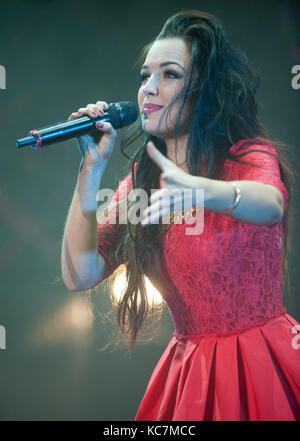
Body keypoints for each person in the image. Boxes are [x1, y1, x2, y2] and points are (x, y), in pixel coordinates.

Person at [61, 10, 300, 421]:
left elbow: (270, 203)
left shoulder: (246, 155)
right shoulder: (141, 181)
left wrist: (199, 189)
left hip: (265, 361)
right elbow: (79, 274)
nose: (149, 89)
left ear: (205, 88)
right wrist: (90, 170)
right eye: (144, 77)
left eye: (169, 74)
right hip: (194, 374)